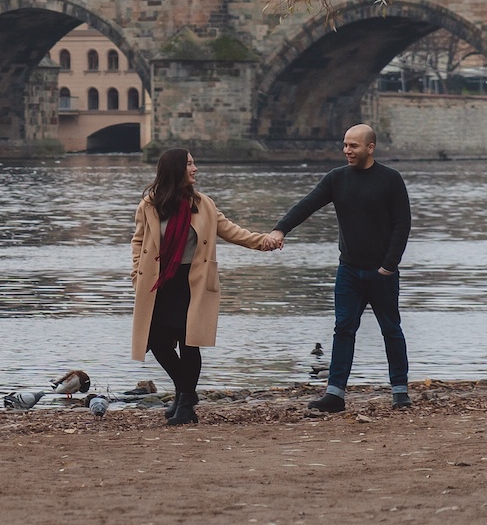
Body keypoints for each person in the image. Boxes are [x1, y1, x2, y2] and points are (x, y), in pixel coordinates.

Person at [265, 123, 412, 412]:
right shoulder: (337, 179)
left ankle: (400, 390)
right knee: (343, 329)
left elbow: (402, 224)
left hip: (382, 272)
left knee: (391, 330)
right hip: (349, 271)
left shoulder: (390, 179)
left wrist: (389, 265)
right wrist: (280, 229)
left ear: (370, 148)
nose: (347, 151)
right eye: (344, 145)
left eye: (353, 146)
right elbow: (307, 205)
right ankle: (335, 394)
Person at [131, 147, 280, 424]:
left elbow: (231, 231)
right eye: (189, 164)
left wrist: (263, 242)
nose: (195, 168)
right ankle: (185, 392)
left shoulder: (204, 205)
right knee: (157, 342)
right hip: (159, 282)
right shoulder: (149, 205)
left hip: (193, 282)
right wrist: (135, 274)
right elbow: (138, 241)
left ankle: (185, 405)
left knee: (190, 343)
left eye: (194, 163)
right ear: (176, 169)